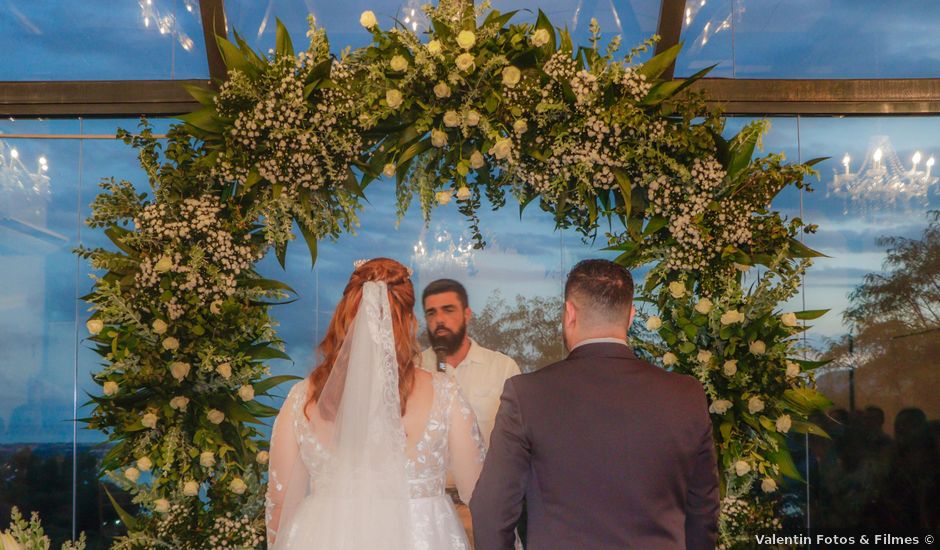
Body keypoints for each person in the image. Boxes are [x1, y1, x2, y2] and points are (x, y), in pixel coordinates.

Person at [470, 259, 720, 550]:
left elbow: (490, 511)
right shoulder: (685, 395)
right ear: (630, 317)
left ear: (569, 314)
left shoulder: (527, 394)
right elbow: (703, 512)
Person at [265, 259, 486, 549]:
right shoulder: (444, 393)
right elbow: (482, 498)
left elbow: (279, 504)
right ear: (409, 322)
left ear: (344, 318)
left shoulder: (301, 398)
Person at [420, 278, 522, 447]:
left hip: (488, 473)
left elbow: (518, 439)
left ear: (467, 315)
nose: (439, 319)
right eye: (432, 313)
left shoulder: (502, 368)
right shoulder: (415, 368)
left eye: (448, 310)